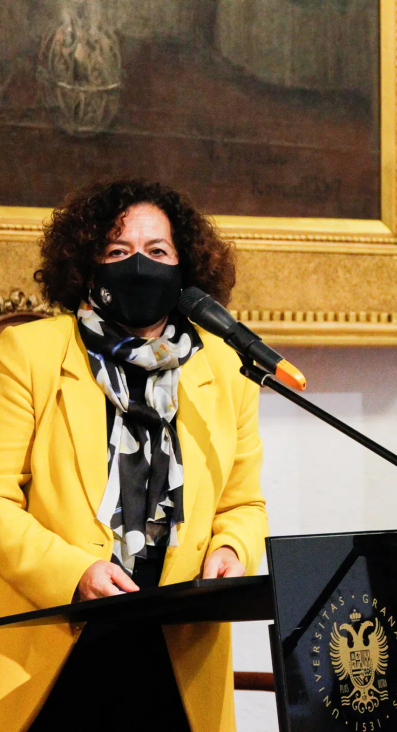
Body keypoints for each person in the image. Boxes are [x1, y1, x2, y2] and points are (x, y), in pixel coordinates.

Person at [0, 180, 268, 732]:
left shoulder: (225, 368)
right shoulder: (30, 354)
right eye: (118, 252)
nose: (139, 265)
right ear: (86, 267)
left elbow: (243, 504)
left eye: (158, 251)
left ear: (185, 268)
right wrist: (76, 572)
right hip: (58, 641)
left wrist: (232, 550)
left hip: (180, 649)